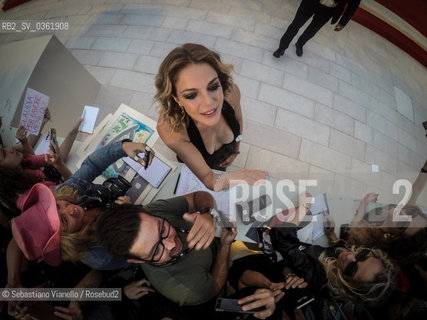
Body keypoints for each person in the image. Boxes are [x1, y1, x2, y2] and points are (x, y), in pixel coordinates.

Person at [156, 43, 267, 191]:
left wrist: (236, 149)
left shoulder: (231, 93)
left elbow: (239, 121)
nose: (209, 103)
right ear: (176, 99)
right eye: (191, 95)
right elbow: (207, 176)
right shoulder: (171, 129)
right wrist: (231, 179)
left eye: (213, 86)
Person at [273, 0, 361, 58]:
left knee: (312, 31)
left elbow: (354, 4)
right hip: (310, 2)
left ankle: (300, 44)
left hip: (329, 10)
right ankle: (282, 48)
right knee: (295, 24)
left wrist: (343, 22)